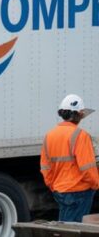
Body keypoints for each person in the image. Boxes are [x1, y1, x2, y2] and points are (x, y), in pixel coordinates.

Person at [40, 94, 99, 222]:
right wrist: (96, 184)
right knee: (74, 229)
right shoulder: (80, 135)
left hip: (60, 191)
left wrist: (54, 186)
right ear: (79, 114)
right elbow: (88, 167)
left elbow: (45, 167)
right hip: (79, 192)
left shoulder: (50, 135)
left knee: (65, 226)